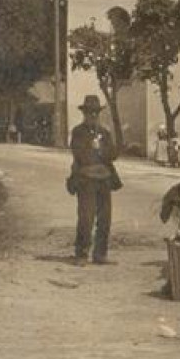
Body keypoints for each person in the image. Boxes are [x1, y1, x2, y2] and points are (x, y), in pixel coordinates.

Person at [67, 95, 122, 265]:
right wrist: (95, 150)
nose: (92, 116)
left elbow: (112, 155)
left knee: (105, 218)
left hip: (104, 179)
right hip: (86, 180)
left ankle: (100, 254)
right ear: (84, 114)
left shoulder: (105, 133)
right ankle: (81, 253)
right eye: (89, 113)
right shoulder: (78, 132)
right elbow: (79, 154)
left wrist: (103, 150)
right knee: (86, 217)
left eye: (95, 113)